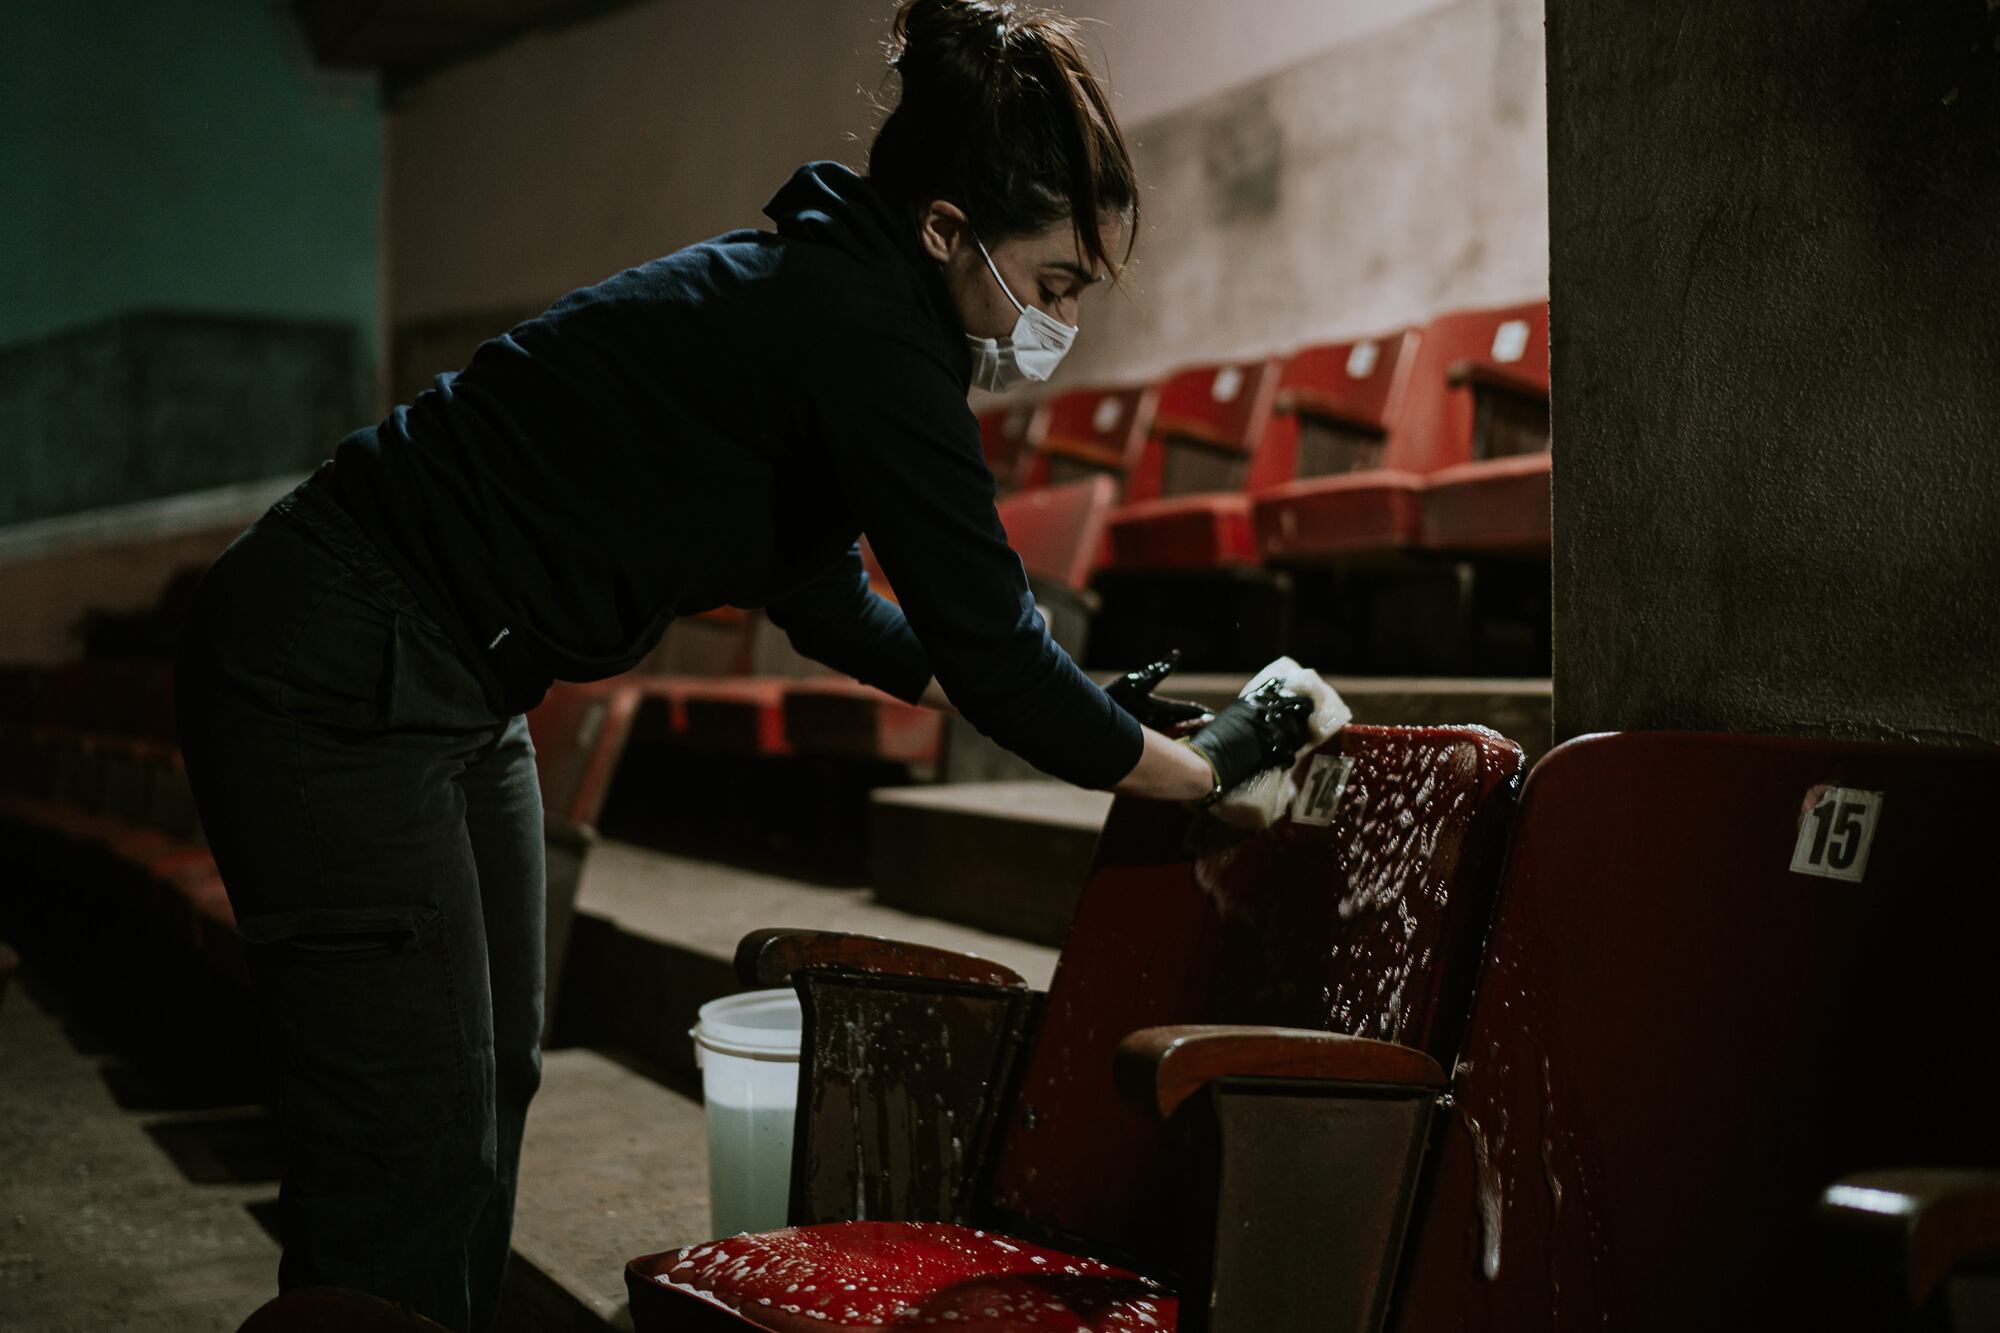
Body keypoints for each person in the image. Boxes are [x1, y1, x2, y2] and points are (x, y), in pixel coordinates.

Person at [173, 1, 1315, 1328]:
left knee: (489, 1080)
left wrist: (1103, 713)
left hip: (445, 677)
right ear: (947, 228)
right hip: (341, 665)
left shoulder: (831, 294)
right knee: (401, 1144)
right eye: (1053, 283)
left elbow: (838, 608)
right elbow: (998, 652)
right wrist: (1210, 763)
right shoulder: (871, 336)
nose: (1059, 320)